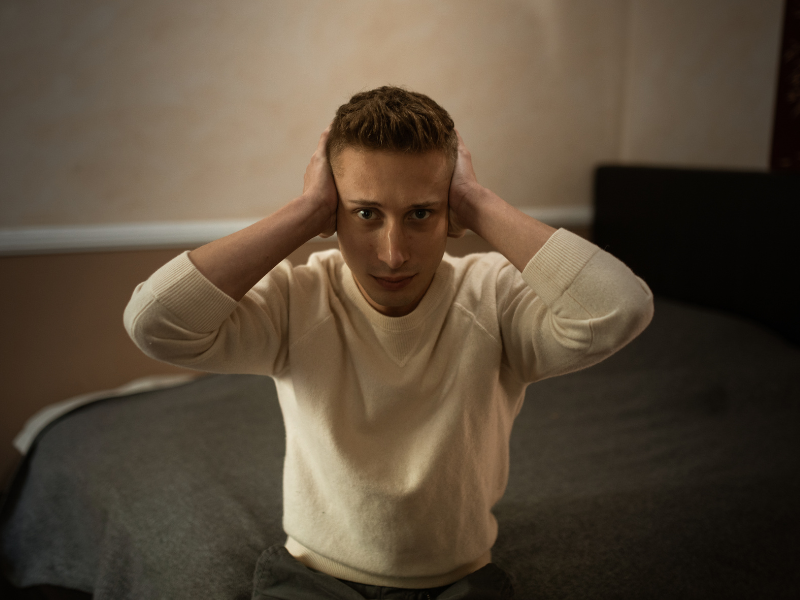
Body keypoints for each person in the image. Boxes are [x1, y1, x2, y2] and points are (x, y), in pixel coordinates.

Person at [124, 86, 654, 599]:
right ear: (334, 211)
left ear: (450, 214)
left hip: (460, 582)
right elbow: (155, 324)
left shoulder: (493, 296)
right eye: (365, 214)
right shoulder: (298, 298)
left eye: (421, 213)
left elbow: (621, 308)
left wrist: (475, 201)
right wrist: (306, 211)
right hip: (313, 577)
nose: (393, 254)